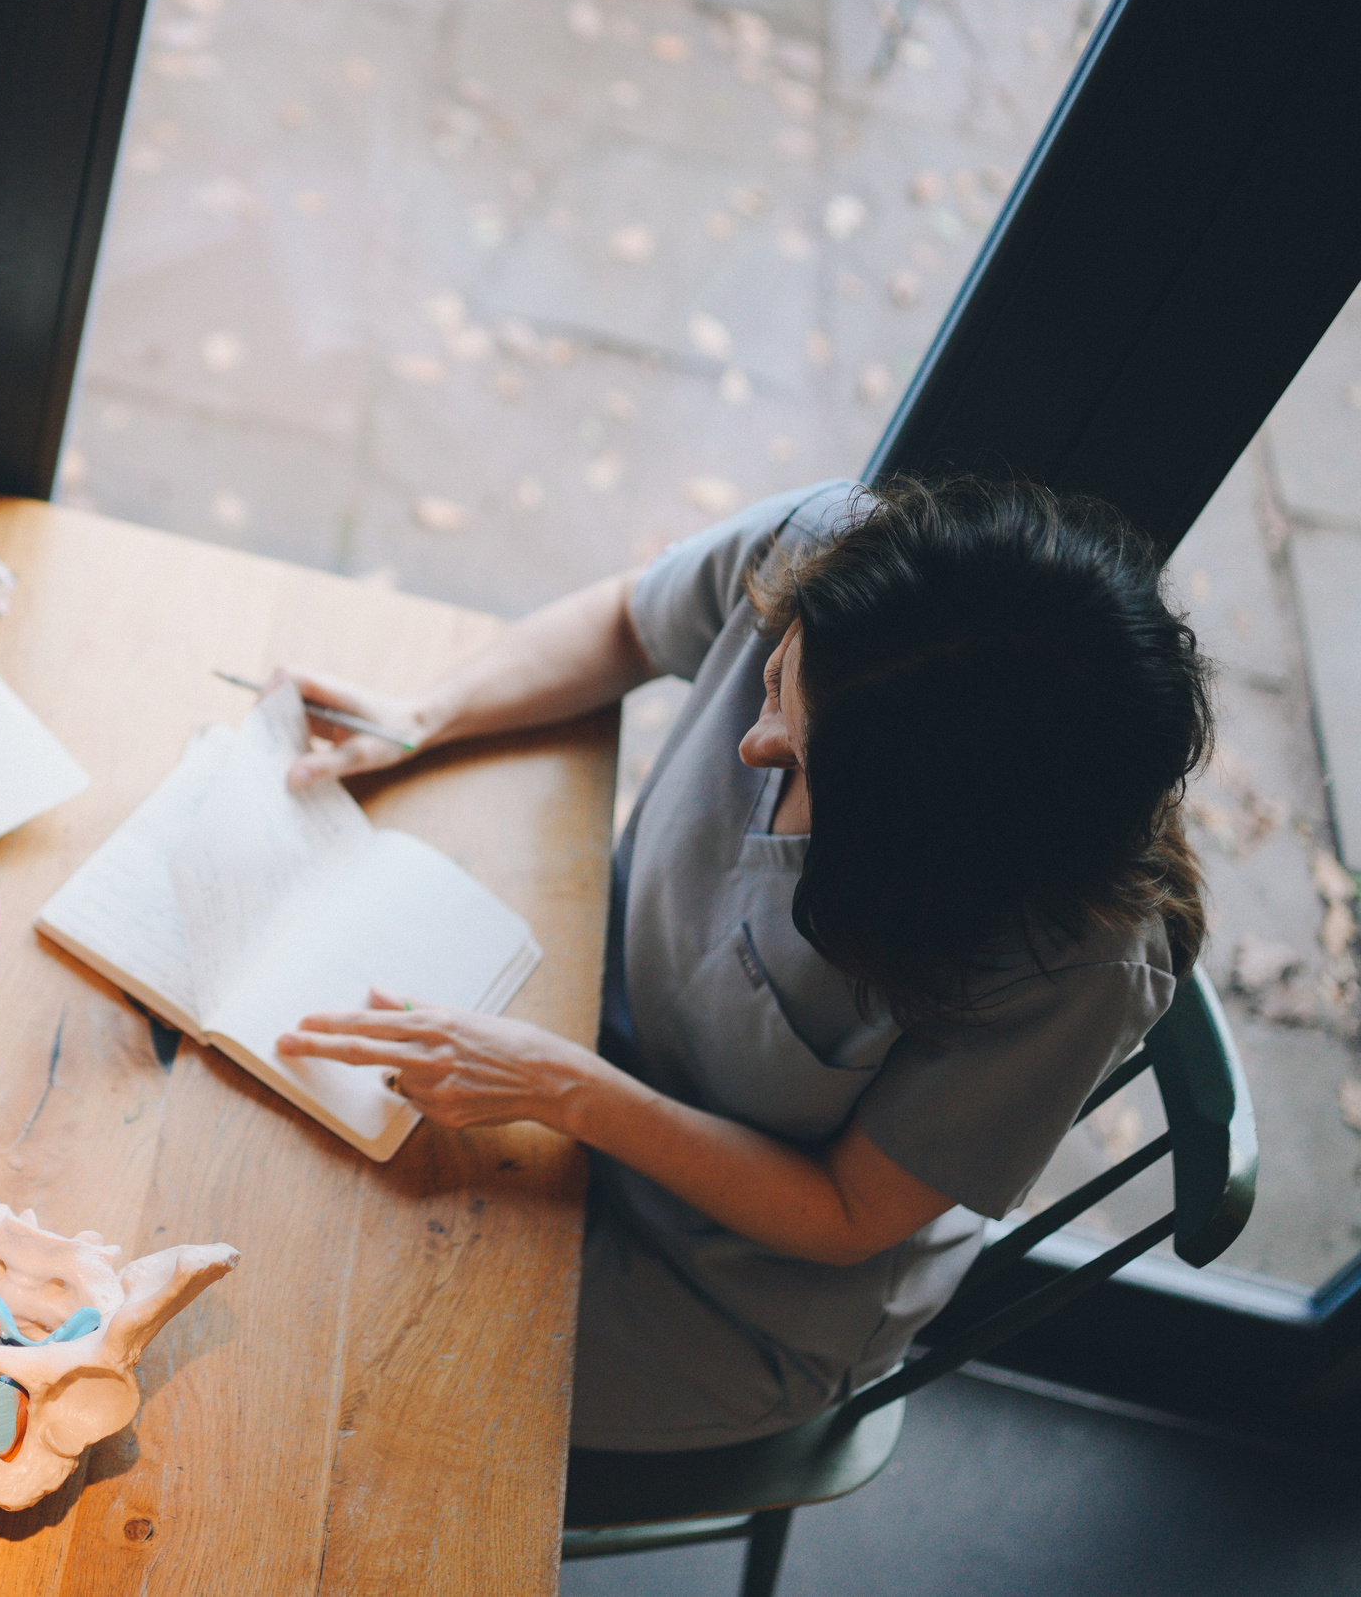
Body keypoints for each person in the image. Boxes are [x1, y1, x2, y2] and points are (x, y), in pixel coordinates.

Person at [270, 477, 1210, 1451]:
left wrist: (567, 1091)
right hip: (575, 1052)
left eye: (805, 764)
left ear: (924, 844)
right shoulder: (846, 567)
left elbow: (847, 1211)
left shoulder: (1070, 968)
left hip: (732, 1296)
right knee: (284, 1208)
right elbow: (629, 626)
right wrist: (428, 712)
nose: (751, 743)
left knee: (346, 1362)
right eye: (770, 680)